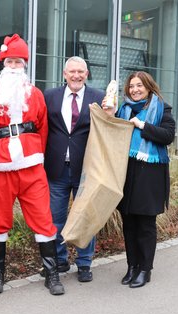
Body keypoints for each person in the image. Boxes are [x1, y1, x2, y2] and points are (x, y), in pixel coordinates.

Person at [0, 34, 64, 296]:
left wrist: (40, 155)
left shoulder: (35, 95)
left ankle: (52, 273)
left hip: (31, 165)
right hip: (0, 165)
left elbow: (43, 129)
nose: (14, 66)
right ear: (3, 64)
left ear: (24, 64)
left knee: (44, 219)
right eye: (10, 61)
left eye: (18, 62)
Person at [102, 71, 175, 288]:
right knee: (129, 223)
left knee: (145, 224)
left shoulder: (162, 108)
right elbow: (111, 135)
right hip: (126, 171)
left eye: (139, 85)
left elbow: (168, 136)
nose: (134, 89)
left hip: (150, 173)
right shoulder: (123, 110)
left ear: (149, 87)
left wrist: (143, 126)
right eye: (131, 86)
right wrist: (109, 114)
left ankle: (145, 269)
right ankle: (132, 266)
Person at [43, 56, 105, 282]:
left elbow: (107, 127)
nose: (76, 76)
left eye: (81, 72)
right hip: (56, 168)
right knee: (55, 218)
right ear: (64, 74)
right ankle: (60, 260)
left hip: (86, 169)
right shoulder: (49, 97)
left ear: (86, 74)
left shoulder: (98, 97)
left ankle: (84, 263)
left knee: (85, 217)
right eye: (72, 72)